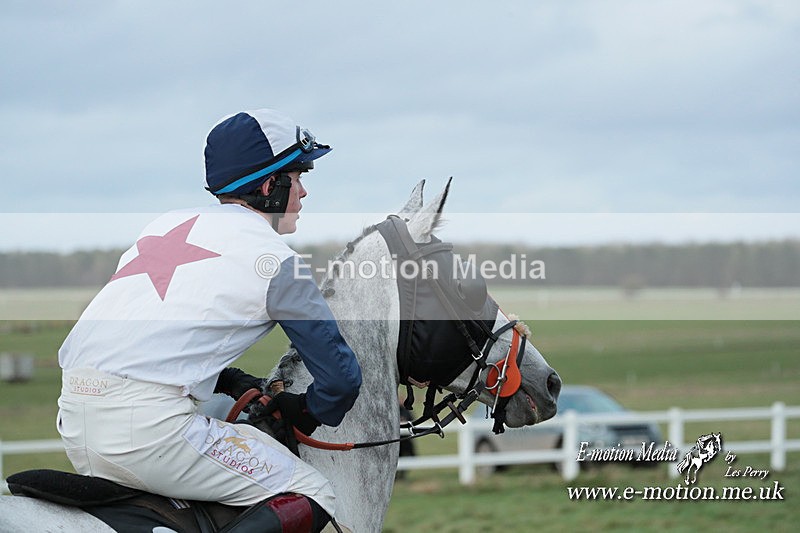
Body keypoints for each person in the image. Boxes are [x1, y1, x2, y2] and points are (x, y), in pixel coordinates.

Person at [56, 109, 362, 531]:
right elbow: (341, 381)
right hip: (149, 433)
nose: (304, 192)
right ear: (270, 186)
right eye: (298, 178)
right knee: (312, 492)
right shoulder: (279, 262)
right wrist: (304, 411)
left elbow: (154, 341)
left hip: (74, 418)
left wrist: (231, 378)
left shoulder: (165, 226)